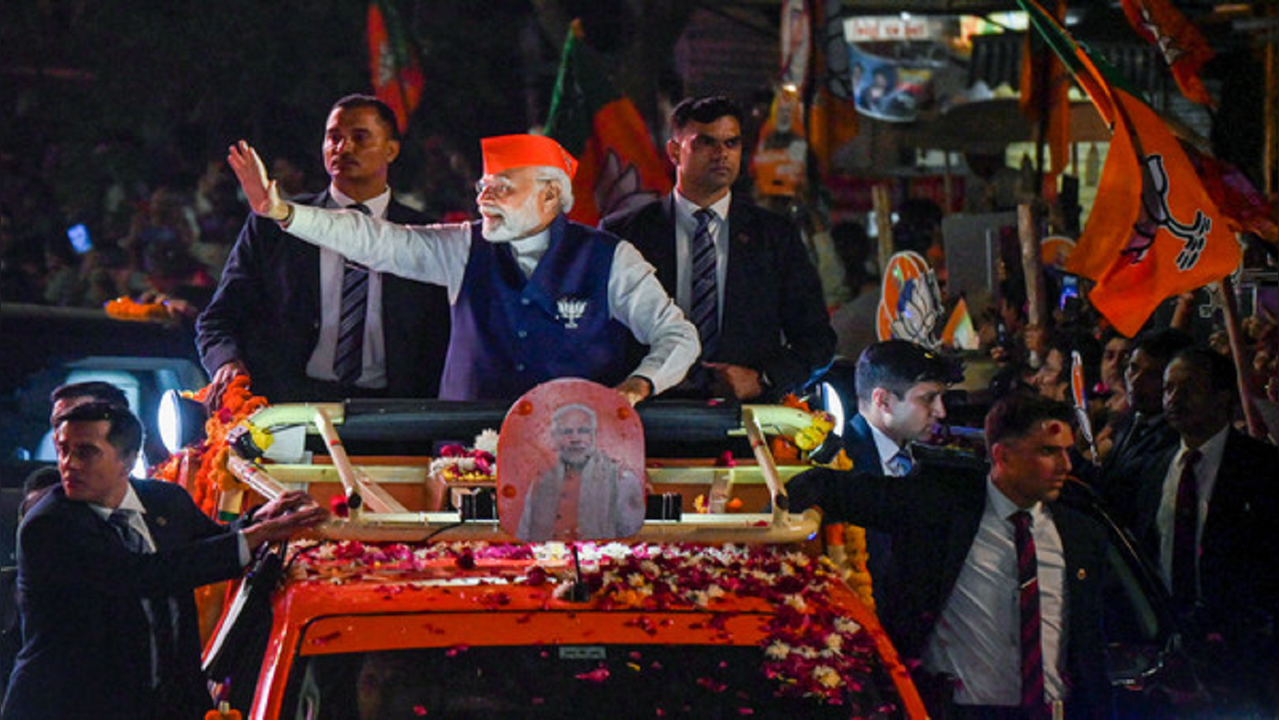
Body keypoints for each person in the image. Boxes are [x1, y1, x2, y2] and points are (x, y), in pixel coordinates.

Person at [227, 133, 698, 405]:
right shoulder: (463, 246)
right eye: (483, 186)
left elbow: (677, 336)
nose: (483, 199)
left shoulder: (610, 257)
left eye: (503, 188)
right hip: (466, 454)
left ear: (551, 196)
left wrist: (636, 388)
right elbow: (378, 240)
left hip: (578, 453)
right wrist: (284, 213)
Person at [786, 392, 1112, 718]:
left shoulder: (1081, 535)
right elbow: (845, 491)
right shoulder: (941, 508)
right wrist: (783, 501)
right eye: (1047, 452)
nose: (1065, 465)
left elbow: (1090, 648)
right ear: (1003, 455)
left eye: (1067, 452)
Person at [2, 401, 327, 718]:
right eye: (62, 449)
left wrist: (257, 520)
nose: (68, 463)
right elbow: (141, 575)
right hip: (71, 706)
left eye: (85, 451)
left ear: (128, 459)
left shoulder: (164, 499)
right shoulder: (48, 526)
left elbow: (209, 543)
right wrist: (257, 536)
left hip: (169, 701)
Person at [197, 94, 452, 405]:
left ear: (391, 149)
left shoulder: (424, 236)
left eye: (360, 137)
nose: (343, 148)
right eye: (334, 138)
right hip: (289, 410)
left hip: (395, 414)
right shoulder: (274, 224)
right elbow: (219, 318)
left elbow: (445, 336)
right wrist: (227, 363)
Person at [601, 95, 834, 402]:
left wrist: (764, 379)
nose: (721, 154)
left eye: (731, 143)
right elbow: (595, 333)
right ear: (674, 152)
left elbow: (817, 340)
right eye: (705, 143)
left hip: (744, 416)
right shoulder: (625, 233)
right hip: (646, 412)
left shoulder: (774, 236)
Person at [1129, 347, 1278, 707]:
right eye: (1168, 389)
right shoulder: (1152, 467)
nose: (1174, 399)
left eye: (1188, 389)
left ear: (1221, 396)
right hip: (1167, 644)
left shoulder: (1261, 469)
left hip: (1242, 650)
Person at [840, 340, 961, 598]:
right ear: (883, 400)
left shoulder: (932, 462)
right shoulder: (838, 464)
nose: (941, 411)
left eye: (942, 398)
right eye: (928, 398)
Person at [1091, 329, 1193, 521]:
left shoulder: (1175, 438)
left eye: (1153, 375)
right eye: (1133, 368)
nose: (1136, 381)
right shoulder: (1128, 421)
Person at [516, 404, 645, 542]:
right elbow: (524, 535)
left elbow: (632, 537)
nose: (575, 439)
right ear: (555, 438)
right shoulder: (541, 480)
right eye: (567, 432)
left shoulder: (621, 479)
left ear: (594, 436)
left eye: (583, 431)